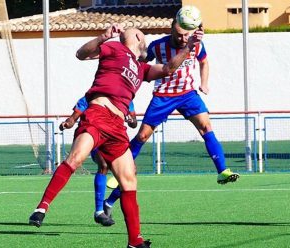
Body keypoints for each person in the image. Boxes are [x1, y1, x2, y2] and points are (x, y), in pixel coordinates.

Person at [29, 23, 204, 248]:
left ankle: (135, 242)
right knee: (76, 158)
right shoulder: (114, 48)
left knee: (129, 180)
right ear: (136, 38)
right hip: (98, 114)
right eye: (142, 37)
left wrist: (189, 46)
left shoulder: (142, 68)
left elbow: (169, 68)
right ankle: (42, 207)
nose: (145, 41)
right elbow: (81, 54)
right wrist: (102, 37)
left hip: (117, 127)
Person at [128, 20, 239, 184]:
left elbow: (204, 62)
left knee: (206, 127)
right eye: (179, 35)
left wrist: (204, 83)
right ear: (171, 30)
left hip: (187, 94)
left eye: (186, 35)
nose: (183, 39)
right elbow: (140, 64)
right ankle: (121, 167)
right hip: (163, 95)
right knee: (143, 135)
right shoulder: (157, 46)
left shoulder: (197, 45)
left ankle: (222, 170)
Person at [59, 96, 137, 226]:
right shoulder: (91, 97)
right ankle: (99, 212)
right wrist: (68, 123)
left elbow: (134, 123)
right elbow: (73, 118)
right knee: (104, 165)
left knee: (132, 172)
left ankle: (109, 202)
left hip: (114, 140)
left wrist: (131, 120)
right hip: (95, 138)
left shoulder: (126, 98)